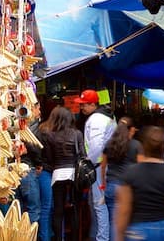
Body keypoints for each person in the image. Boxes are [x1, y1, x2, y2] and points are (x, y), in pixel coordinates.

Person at [78, 89, 116, 241]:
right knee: (109, 205)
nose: (81, 108)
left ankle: (102, 238)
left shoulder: (96, 120)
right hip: (109, 165)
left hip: (100, 167)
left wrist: (90, 163)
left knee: (100, 205)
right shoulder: (108, 117)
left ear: (93, 104)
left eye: (84, 105)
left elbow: (95, 145)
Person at [43, 106, 85, 241]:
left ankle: (59, 238)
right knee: (74, 209)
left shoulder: (50, 135)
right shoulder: (77, 133)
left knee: (58, 211)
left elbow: (49, 158)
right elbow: (82, 155)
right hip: (74, 174)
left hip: (57, 174)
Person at [104, 122, 141, 240]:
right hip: (128, 186)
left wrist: (103, 183)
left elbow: (103, 166)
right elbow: (141, 166)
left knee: (113, 221)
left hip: (111, 185)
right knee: (129, 219)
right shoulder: (135, 145)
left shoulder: (109, 145)